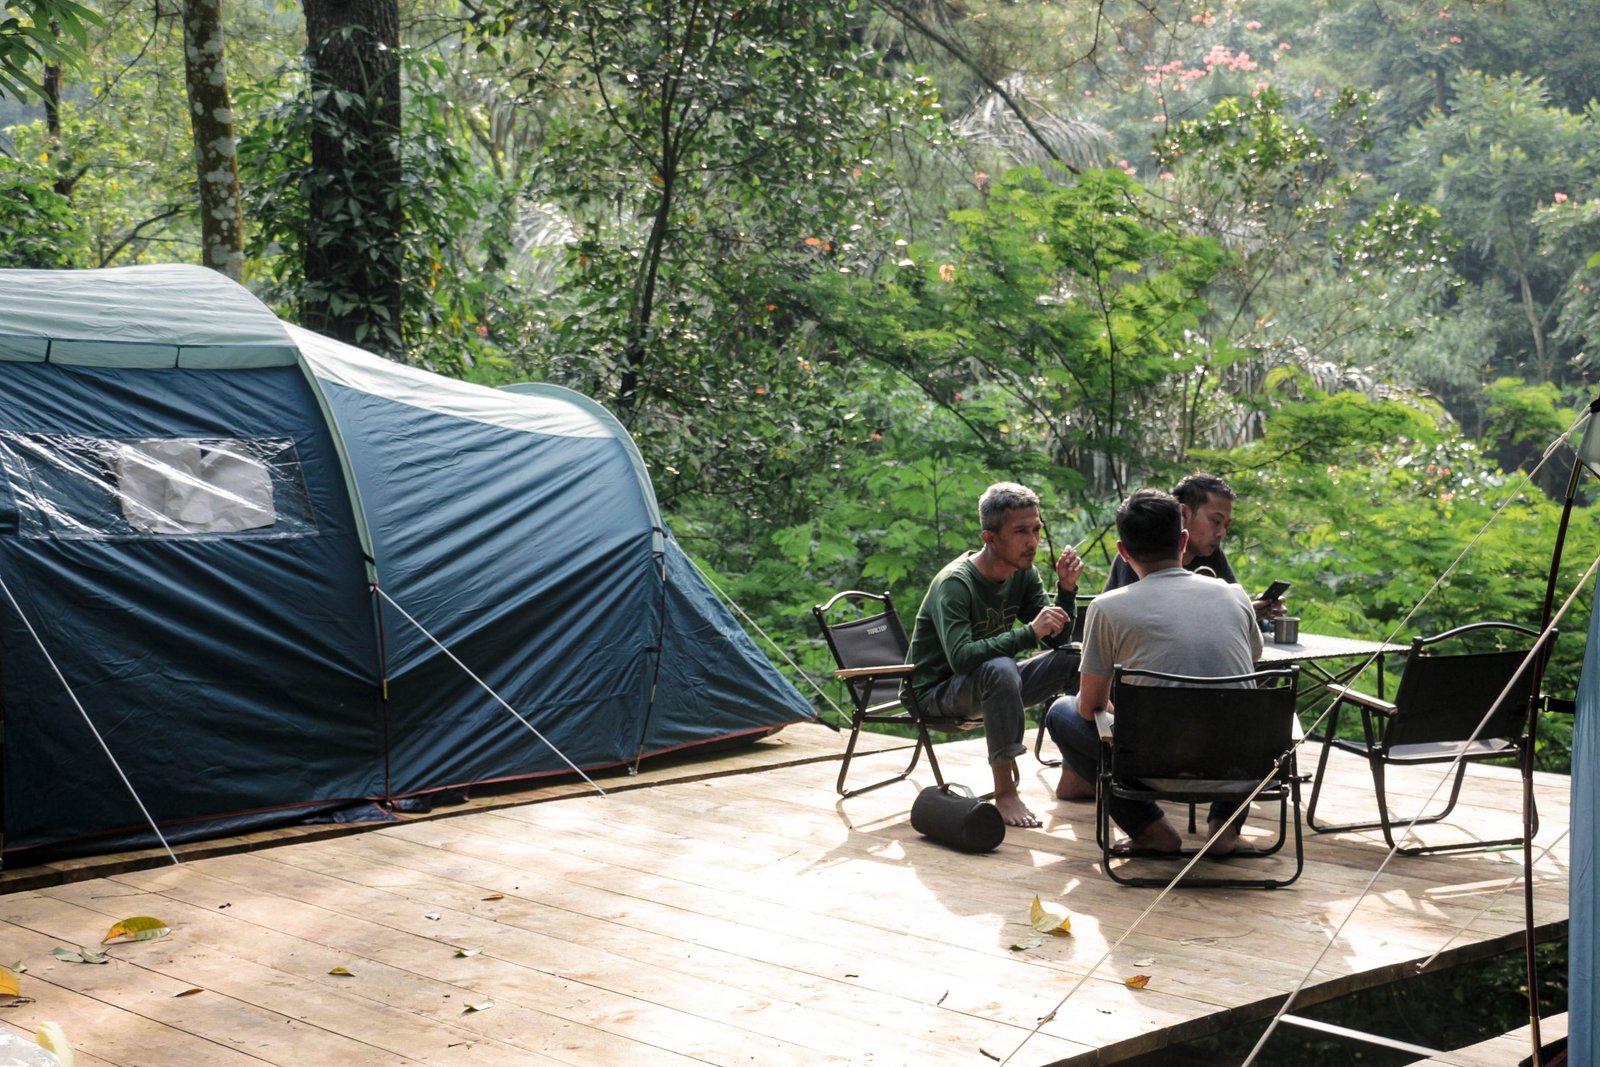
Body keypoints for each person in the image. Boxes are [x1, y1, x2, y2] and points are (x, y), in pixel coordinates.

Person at [1044, 488, 1263, 853]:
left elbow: (1089, 708)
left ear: (1123, 552)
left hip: (1151, 767)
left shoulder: (1107, 608)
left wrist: (1124, 710)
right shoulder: (1234, 594)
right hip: (1239, 769)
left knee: (1062, 712)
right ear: (1183, 540)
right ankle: (1224, 830)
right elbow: (1252, 662)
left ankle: (1151, 830)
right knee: (1242, 716)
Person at [904, 482, 1085, 828]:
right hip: (935, 694)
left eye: (1036, 530)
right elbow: (960, 658)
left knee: (1073, 660)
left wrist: (1066, 591)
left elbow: (1055, 641)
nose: (1032, 542)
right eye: (1020, 532)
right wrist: (1028, 632)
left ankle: (1079, 771)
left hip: (992, 682)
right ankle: (1005, 793)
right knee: (1001, 669)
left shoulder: (1024, 574)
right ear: (990, 538)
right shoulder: (955, 584)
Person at [1101, 471, 1285, 623]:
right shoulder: (1142, 555)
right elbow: (1139, 621)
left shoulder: (1213, 556)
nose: (1222, 533)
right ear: (1183, 513)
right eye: (1216, 521)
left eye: (1226, 525)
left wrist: (1254, 612)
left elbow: (1232, 605)